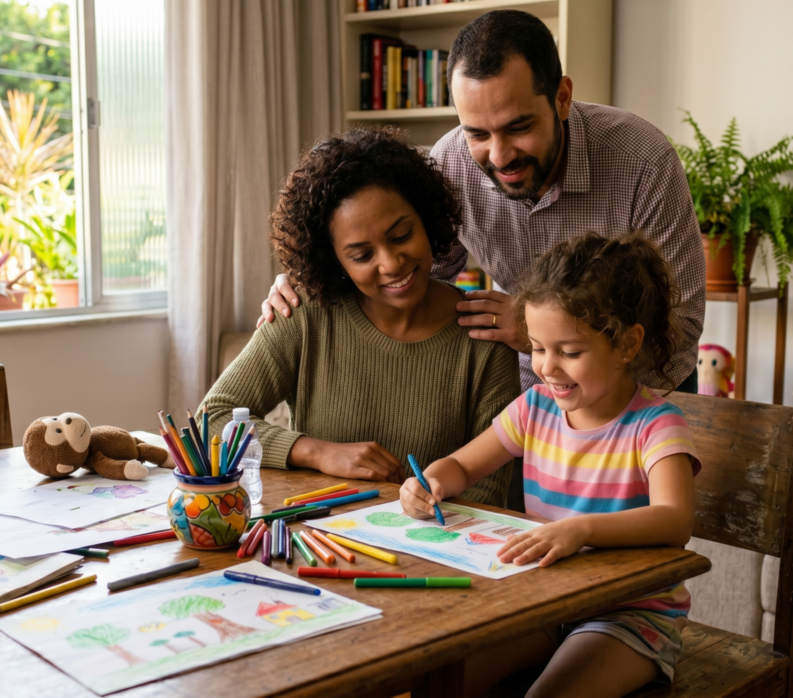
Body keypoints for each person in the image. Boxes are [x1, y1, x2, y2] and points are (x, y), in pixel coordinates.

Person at [261, 9, 706, 394]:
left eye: (518, 127)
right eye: (477, 132)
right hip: (524, 387)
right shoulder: (450, 163)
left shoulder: (644, 162)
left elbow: (680, 329)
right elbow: (415, 278)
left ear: (563, 98)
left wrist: (538, 329)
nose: (499, 156)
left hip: (643, 388)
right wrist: (313, 284)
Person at [400, 233, 701, 697]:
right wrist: (431, 482)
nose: (548, 367)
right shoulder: (535, 407)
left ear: (626, 344)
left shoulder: (656, 425)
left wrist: (579, 531)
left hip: (630, 616)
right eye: (538, 348)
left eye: (570, 352)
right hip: (544, 603)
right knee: (442, 680)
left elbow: (675, 519)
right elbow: (462, 465)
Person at [199, 128, 521, 507]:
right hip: (319, 542)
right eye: (362, 256)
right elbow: (211, 424)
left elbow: (486, 497)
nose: (391, 263)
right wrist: (317, 451)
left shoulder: (484, 337)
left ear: (427, 217)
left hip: (430, 551)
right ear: (333, 259)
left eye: (401, 235)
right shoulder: (303, 314)